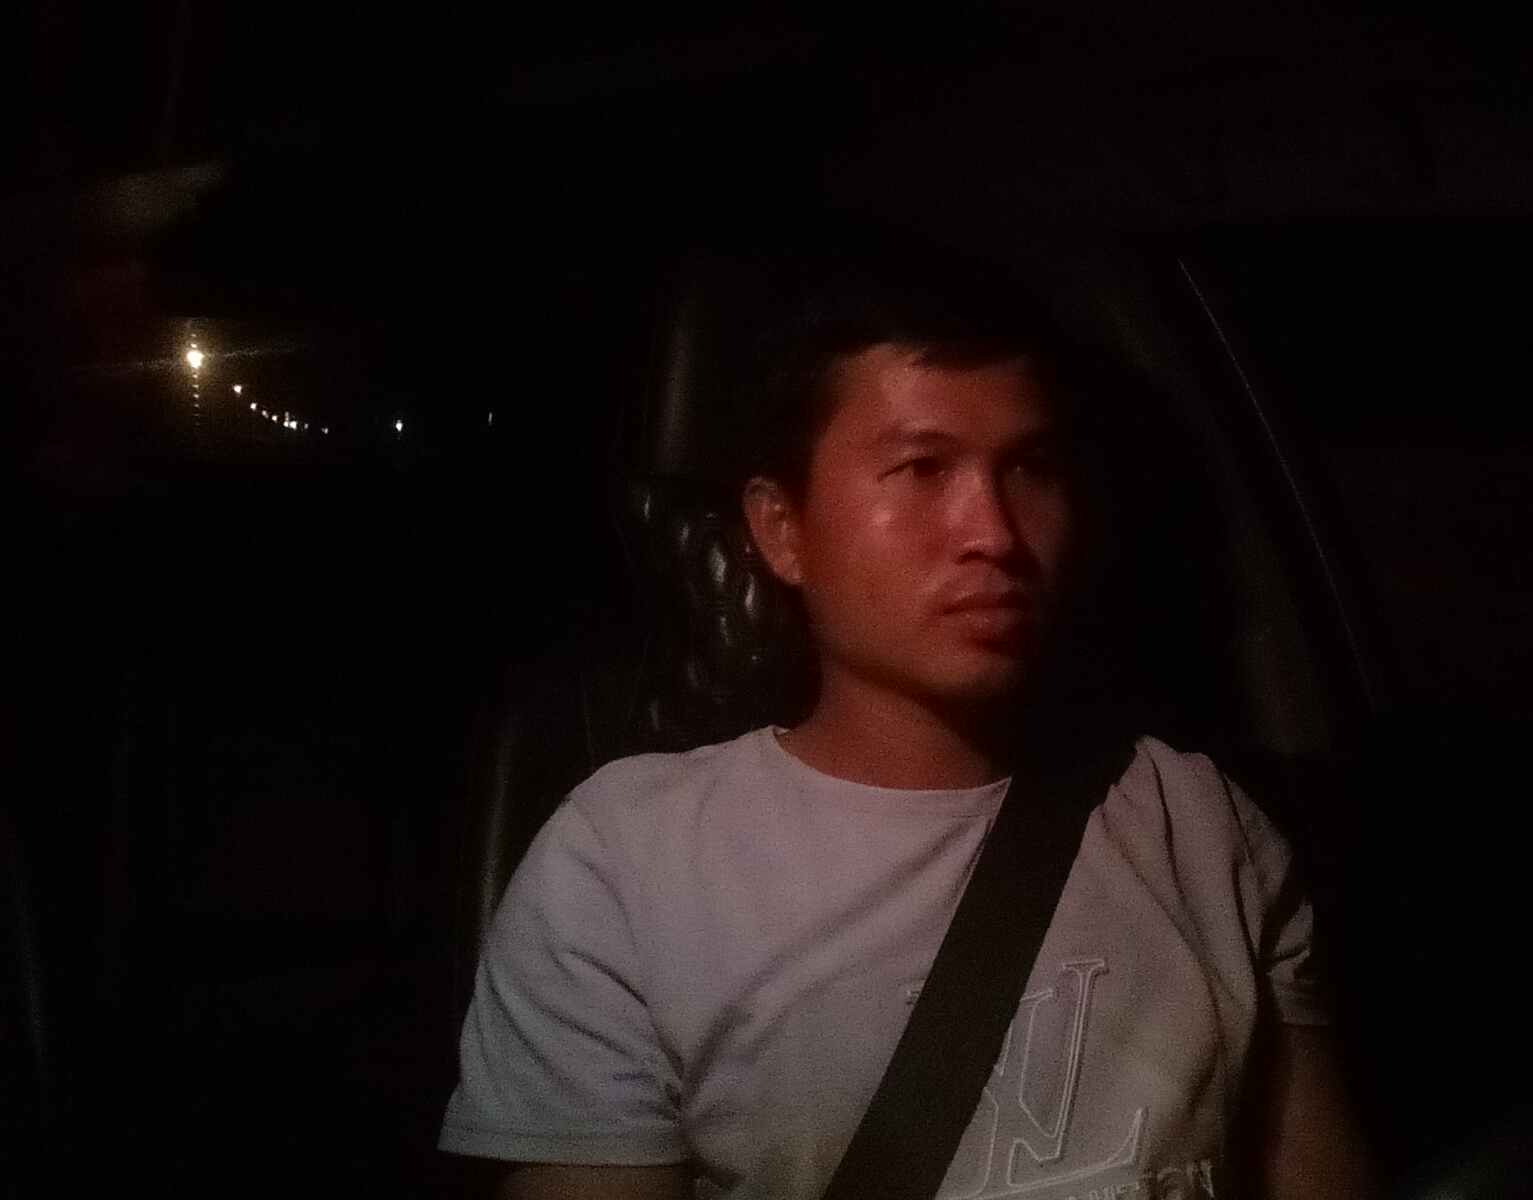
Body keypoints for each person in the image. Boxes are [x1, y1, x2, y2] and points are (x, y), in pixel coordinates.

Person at [437, 250, 1379, 1200]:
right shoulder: (626, 865)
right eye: (923, 468)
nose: (995, 534)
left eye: (1031, 468)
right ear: (782, 528)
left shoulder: (1201, 825)